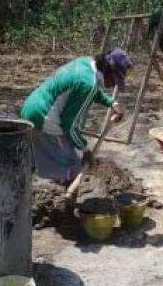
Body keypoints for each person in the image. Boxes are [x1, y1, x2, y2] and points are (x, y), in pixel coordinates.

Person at [21, 48, 132, 186]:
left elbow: (91, 90)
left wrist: (111, 102)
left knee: (37, 156)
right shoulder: (88, 84)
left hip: (31, 107)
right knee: (71, 165)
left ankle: (25, 183)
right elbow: (69, 126)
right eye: (115, 80)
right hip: (44, 117)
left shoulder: (85, 63)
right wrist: (85, 149)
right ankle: (61, 201)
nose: (114, 84)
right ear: (109, 71)